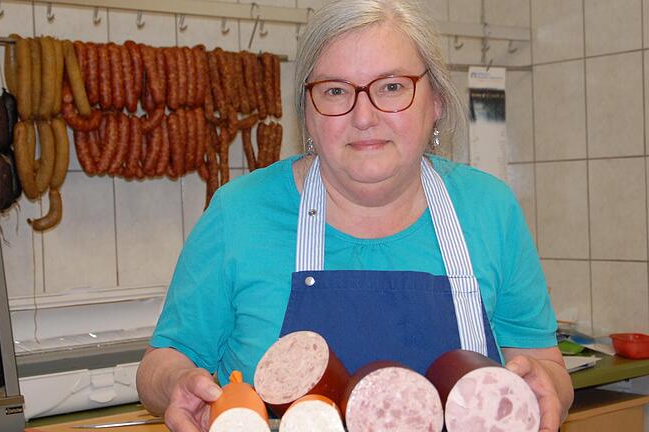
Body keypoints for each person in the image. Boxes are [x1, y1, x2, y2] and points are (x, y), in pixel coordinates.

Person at [136, 0, 574, 430]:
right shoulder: (239, 213)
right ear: (307, 112)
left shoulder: (489, 208)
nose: (363, 116)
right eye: (335, 91)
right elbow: (164, 361)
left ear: (435, 100)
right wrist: (175, 382)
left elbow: (541, 362)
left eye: (392, 87)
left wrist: (548, 385)